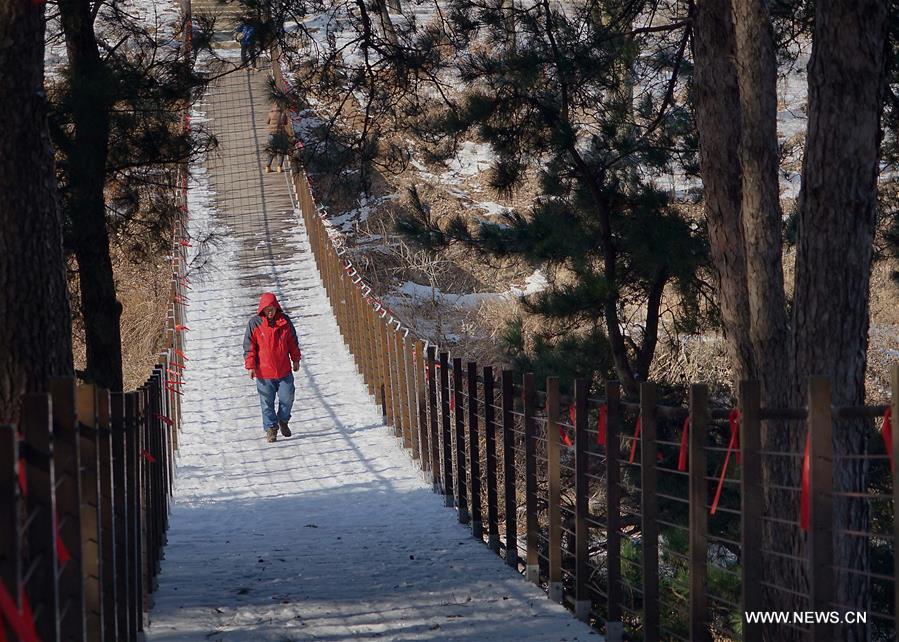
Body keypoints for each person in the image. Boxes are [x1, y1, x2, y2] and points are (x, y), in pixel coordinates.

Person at [243, 292, 302, 442]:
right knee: (266, 402)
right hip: (264, 372)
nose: (270, 311)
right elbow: (249, 347)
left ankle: (283, 420)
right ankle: (271, 428)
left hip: (284, 370)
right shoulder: (254, 324)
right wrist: (251, 366)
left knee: (287, 397)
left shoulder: (285, 322)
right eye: (267, 309)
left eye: (272, 308)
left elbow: (292, 342)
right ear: (262, 309)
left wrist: (295, 359)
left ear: (276, 308)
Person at [265, 105, 292, 173]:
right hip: (280, 134)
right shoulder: (283, 113)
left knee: (271, 150)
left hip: (271, 134)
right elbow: (285, 123)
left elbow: (267, 122)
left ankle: (268, 167)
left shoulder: (270, 113)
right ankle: (279, 167)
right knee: (280, 150)